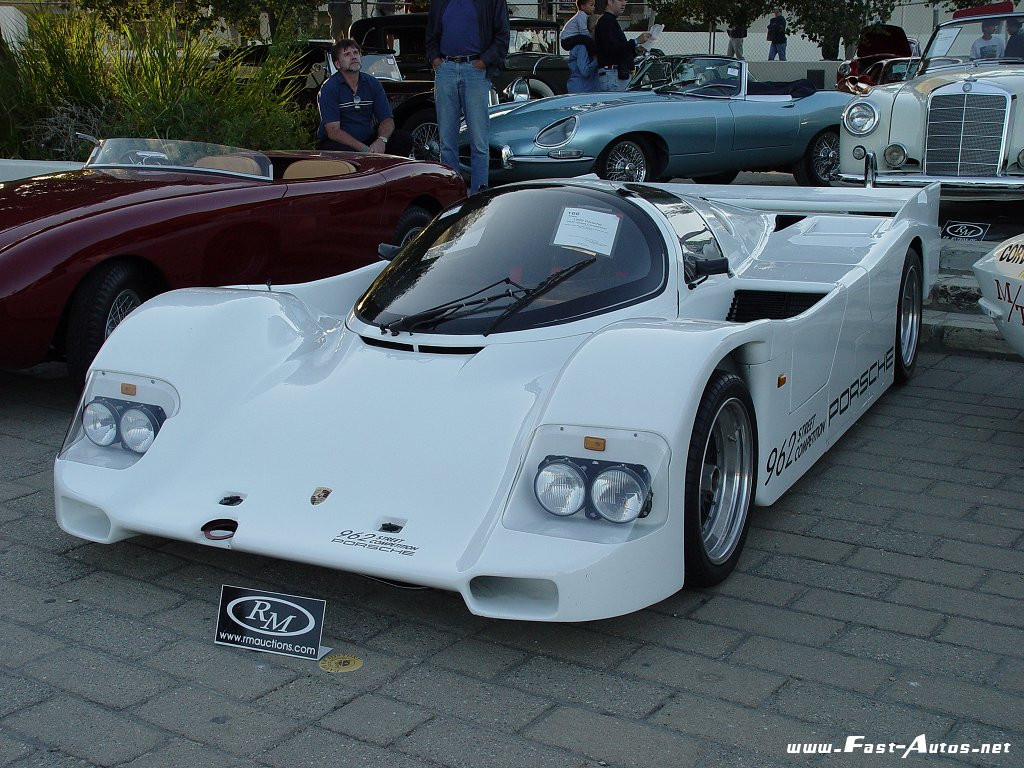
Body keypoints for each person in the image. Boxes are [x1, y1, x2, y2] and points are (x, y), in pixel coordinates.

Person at [426, 0, 510, 194]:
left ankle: (478, 195)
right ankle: (451, 196)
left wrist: (484, 62)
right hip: (445, 69)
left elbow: (502, 35)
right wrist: (435, 60)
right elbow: (430, 34)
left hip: (475, 71)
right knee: (447, 143)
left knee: (479, 142)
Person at [316, 39, 414, 157]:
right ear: (337, 64)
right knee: (341, 151)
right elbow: (333, 131)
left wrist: (381, 141)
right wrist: (363, 149)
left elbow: (387, 120)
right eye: (347, 54)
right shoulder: (329, 88)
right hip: (339, 143)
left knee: (403, 139)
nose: (353, 57)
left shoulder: (372, 83)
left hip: (367, 140)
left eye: (356, 53)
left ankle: (389, 174)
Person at [594, 0, 651, 92]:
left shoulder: (611, 21)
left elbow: (621, 52)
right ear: (610, 2)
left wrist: (638, 49)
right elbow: (612, 49)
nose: (624, 3)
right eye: (620, 0)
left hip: (616, 75)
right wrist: (636, 41)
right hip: (613, 75)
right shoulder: (606, 21)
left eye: (625, 0)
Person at [566, 13, 601, 93]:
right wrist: (597, 60)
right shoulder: (583, 46)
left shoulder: (591, 45)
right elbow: (584, 71)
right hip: (581, 89)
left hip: (588, 88)